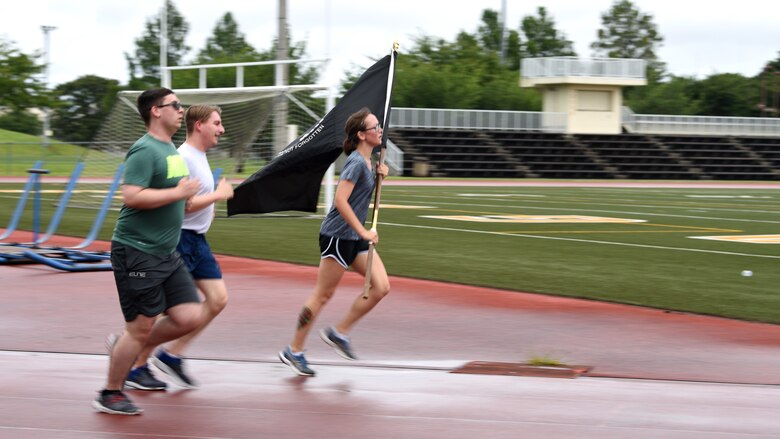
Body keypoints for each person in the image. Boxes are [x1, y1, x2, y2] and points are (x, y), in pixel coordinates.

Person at [93, 88, 204, 416]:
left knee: (189, 316)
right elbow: (132, 196)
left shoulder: (170, 148)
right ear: (156, 111)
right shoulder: (143, 149)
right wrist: (178, 193)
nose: (181, 110)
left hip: (165, 253)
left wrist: (190, 197)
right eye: (175, 105)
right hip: (137, 250)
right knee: (141, 326)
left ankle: (127, 344)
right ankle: (110, 392)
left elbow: (178, 197)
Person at [124, 104, 233, 391]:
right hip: (178, 238)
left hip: (198, 240)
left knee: (218, 300)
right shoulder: (183, 157)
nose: (221, 129)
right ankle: (135, 361)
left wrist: (214, 200)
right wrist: (219, 195)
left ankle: (171, 354)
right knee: (167, 311)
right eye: (217, 123)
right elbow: (182, 206)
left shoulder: (200, 156)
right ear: (199, 125)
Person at [279, 107, 390, 377]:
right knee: (323, 295)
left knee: (381, 287)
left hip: (354, 236)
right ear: (361, 135)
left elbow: (360, 198)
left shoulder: (367, 163)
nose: (380, 130)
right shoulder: (354, 162)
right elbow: (340, 201)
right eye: (375, 127)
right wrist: (363, 232)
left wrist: (379, 179)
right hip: (338, 237)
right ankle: (294, 351)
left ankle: (339, 333)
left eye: (379, 126)